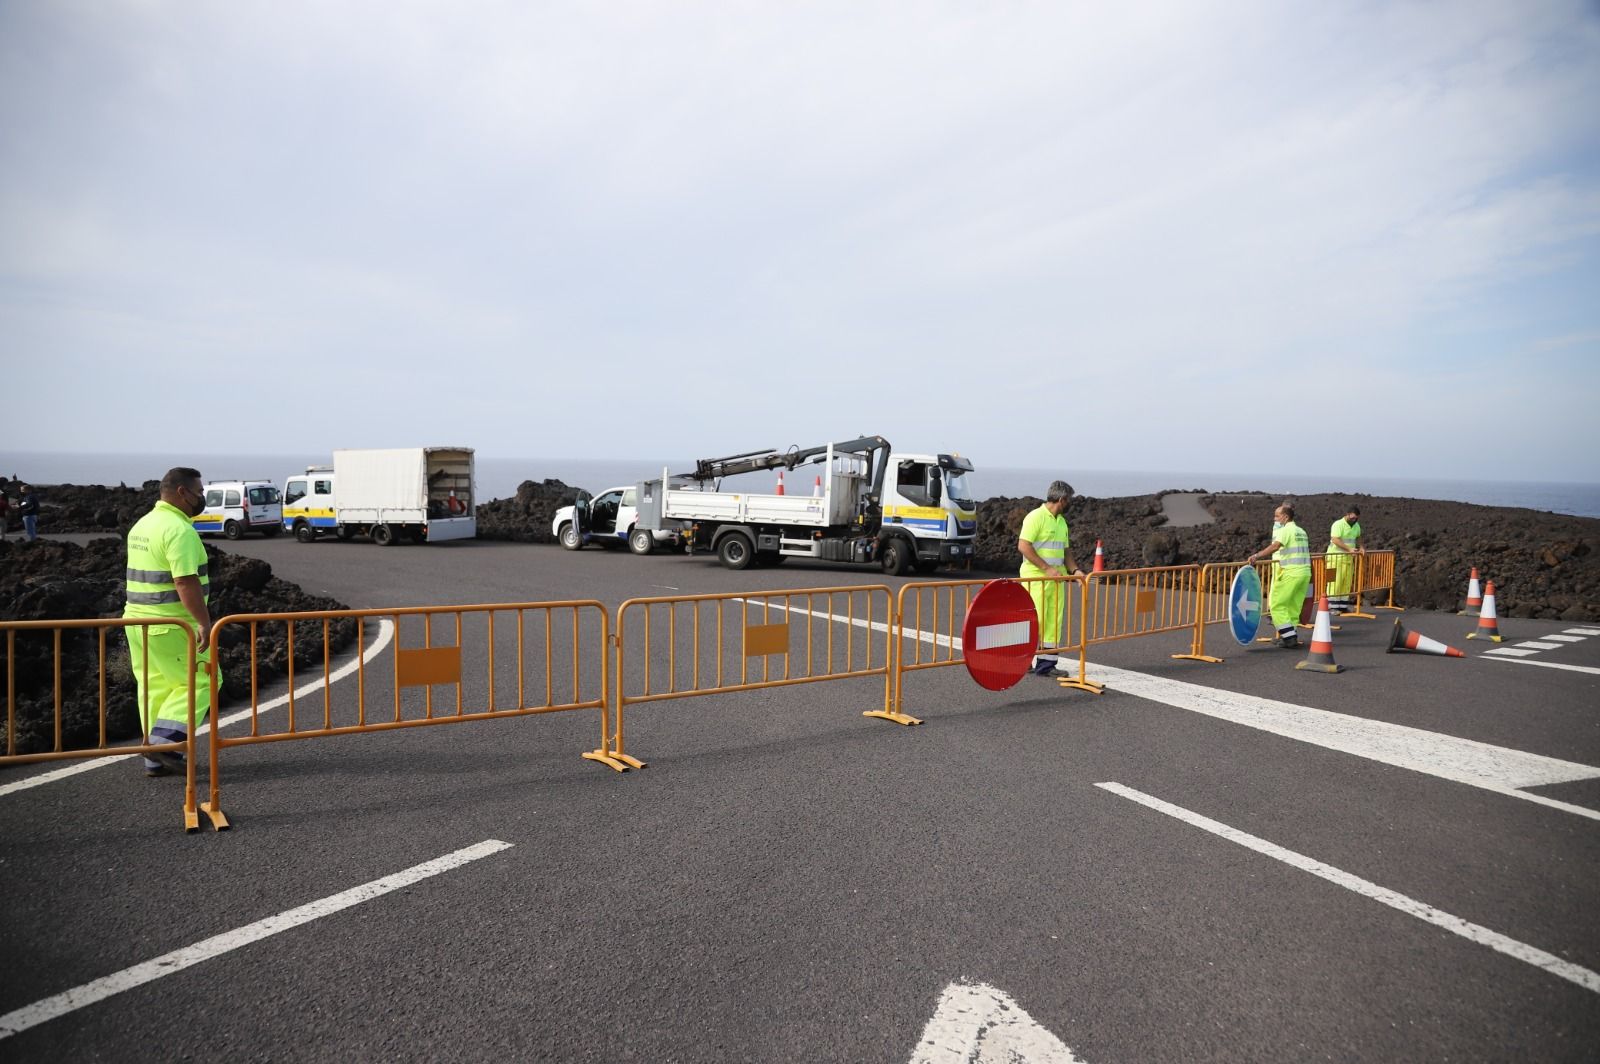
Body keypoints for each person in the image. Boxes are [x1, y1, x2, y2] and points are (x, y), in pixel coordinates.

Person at [124, 468, 220, 777]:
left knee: (155, 687)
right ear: (182, 492)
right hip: (173, 625)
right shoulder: (179, 530)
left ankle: (155, 759)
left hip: (137, 622)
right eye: (199, 492)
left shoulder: (143, 525)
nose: (201, 498)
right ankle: (163, 745)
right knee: (204, 679)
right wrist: (204, 623)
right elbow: (185, 582)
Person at [1017, 480, 1086, 676]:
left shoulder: (1061, 522)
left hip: (1056, 581)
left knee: (1053, 622)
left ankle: (1046, 666)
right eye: (1069, 500)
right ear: (1062, 499)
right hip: (1035, 580)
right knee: (1033, 620)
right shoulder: (1035, 517)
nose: (1070, 503)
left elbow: (1065, 552)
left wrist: (1075, 571)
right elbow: (1024, 546)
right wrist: (1046, 568)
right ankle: (1023, 662)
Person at [1248, 502, 1311, 649]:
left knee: (1276, 605)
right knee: (1293, 606)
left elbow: (1275, 546)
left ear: (1285, 516)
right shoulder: (1301, 531)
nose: (1275, 518)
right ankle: (1290, 635)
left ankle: (1289, 638)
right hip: (1305, 572)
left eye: (1277, 516)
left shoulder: (1285, 530)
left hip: (1291, 572)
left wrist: (1257, 555)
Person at [1325, 503, 1364, 613]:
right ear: (1347, 515)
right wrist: (1349, 549)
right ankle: (1332, 606)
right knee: (1333, 582)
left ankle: (1342, 606)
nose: (1354, 520)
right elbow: (1335, 539)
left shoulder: (1356, 525)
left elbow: (1359, 536)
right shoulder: (1338, 524)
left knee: (1346, 583)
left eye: (1356, 518)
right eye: (1353, 518)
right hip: (1334, 559)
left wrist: (1361, 547)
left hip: (1347, 560)